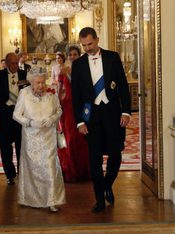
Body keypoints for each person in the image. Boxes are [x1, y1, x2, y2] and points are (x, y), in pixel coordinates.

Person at [71, 27, 131, 213]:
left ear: (97, 39)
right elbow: (76, 96)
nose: (87, 48)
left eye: (90, 44)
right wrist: (80, 122)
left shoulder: (113, 57)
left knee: (115, 154)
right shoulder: (78, 64)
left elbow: (123, 87)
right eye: (84, 45)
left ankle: (107, 184)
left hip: (113, 115)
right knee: (94, 158)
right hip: (91, 118)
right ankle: (99, 199)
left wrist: (126, 112)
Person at [13, 67, 65, 213]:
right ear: (31, 82)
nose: (41, 86)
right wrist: (29, 122)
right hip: (31, 138)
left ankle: (52, 200)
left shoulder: (51, 94)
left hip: (48, 138)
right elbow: (16, 114)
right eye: (37, 83)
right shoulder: (24, 94)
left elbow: (59, 110)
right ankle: (29, 198)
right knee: (32, 170)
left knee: (50, 167)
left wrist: (52, 119)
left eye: (43, 82)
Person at [0, 52, 28, 185]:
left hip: (20, 115)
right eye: (12, 63)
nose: (16, 65)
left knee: (21, 146)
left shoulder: (24, 75)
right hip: (3, 116)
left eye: (17, 63)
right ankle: (9, 175)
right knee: (5, 147)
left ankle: (22, 173)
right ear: (6, 63)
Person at [57, 46, 90, 182]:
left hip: (82, 108)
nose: (72, 57)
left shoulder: (85, 70)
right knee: (70, 140)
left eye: (75, 54)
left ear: (79, 55)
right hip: (68, 108)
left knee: (83, 140)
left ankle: (84, 171)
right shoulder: (63, 71)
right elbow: (60, 91)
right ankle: (72, 171)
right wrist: (59, 108)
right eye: (70, 55)